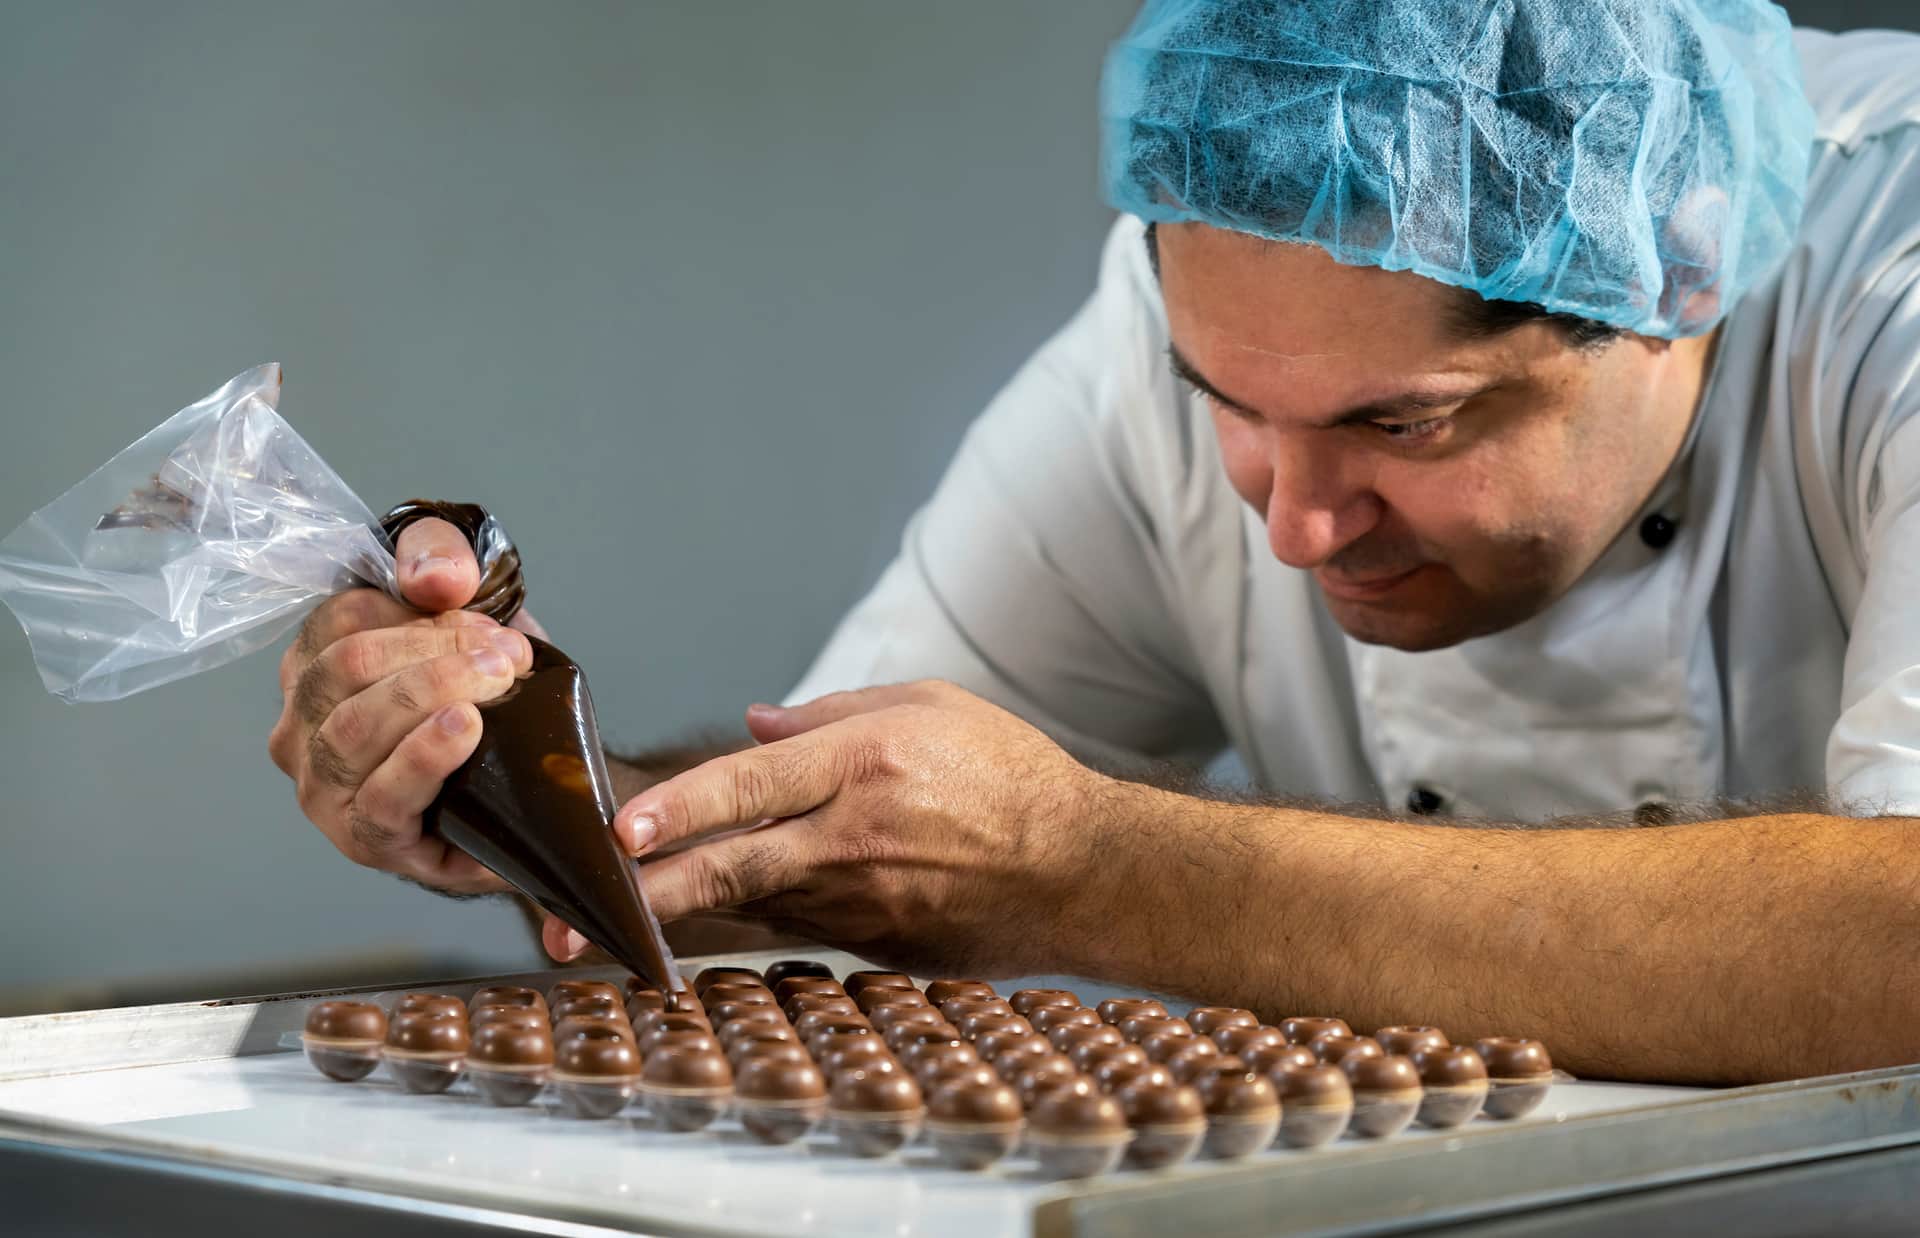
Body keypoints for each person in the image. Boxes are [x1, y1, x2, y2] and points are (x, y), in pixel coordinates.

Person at [269, 1, 1920, 1085]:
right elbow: (863, 847)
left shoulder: (1890, 281)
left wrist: (1093, 866)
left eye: (1406, 425)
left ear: (1679, 278)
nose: (1294, 523)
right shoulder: (1189, 323)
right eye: (1229, 404)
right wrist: (517, 779)